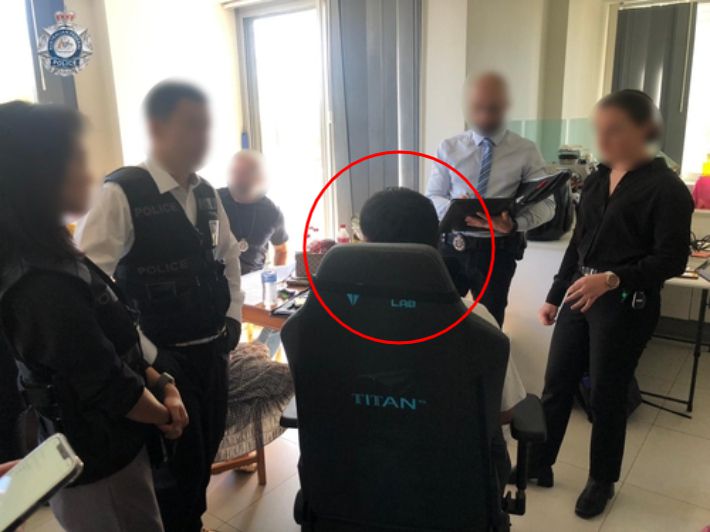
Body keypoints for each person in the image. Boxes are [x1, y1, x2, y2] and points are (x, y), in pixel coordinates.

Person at [0, 101, 189, 531]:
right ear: (39, 175)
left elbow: (117, 339)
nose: (92, 173)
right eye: (78, 159)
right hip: (98, 465)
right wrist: (167, 416)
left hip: (115, 446)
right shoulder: (39, 285)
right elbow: (108, 384)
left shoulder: (55, 254)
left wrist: (163, 383)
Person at [75, 81, 244, 532]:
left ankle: (193, 523)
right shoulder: (121, 194)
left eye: (207, 127)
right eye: (191, 126)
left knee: (204, 453)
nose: (203, 137)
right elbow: (89, 289)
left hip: (213, 352)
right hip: (163, 362)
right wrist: (151, 358)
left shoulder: (207, 193)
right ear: (156, 128)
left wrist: (233, 317)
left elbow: (228, 255)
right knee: (175, 472)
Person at [519, 90, 693, 518]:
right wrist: (555, 296)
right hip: (581, 292)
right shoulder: (597, 179)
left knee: (607, 394)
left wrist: (613, 279)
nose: (603, 140)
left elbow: (672, 260)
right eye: (599, 130)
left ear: (644, 130)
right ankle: (540, 463)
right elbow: (579, 244)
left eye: (614, 130)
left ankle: (602, 480)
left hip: (626, 303)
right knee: (557, 383)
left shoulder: (667, 189)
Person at [359, 187, 526, 491]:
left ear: (365, 243)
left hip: (357, 475)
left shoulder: (333, 315)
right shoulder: (476, 320)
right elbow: (505, 412)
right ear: (435, 243)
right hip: (456, 483)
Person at [426, 72, 555, 325]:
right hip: (450, 248)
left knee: (490, 325)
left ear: (506, 107)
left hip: (497, 252)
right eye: (478, 108)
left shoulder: (525, 151)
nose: (485, 116)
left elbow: (548, 205)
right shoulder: (449, 148)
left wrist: (514, 224)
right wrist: (456, 208)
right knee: (439, 321)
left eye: (493, 109)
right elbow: (432, 196)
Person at [219, 150, 288, 274]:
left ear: (261, 177)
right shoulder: (212, 200)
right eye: (234, 172)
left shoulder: (272, 212)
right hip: (216, 279)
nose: (237, 178)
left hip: (253, 280)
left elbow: (281, 250)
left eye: (245, 173)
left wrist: (276, 279)